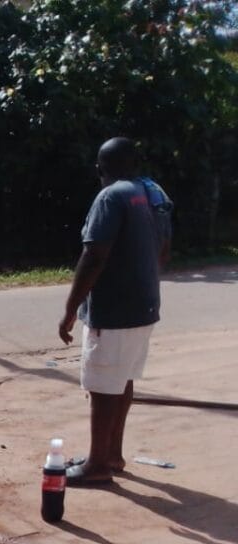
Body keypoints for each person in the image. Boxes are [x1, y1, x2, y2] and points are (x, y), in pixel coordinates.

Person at [58, 137, 170, 487]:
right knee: (121, 381)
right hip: (145, 305)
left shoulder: (110, 196)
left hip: (114, 309)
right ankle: (111, 455)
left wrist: (71, 307)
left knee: (104, 384)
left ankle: (97, 465)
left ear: (99, 168)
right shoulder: (153, 192)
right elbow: (163, 249)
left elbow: (94, 255)